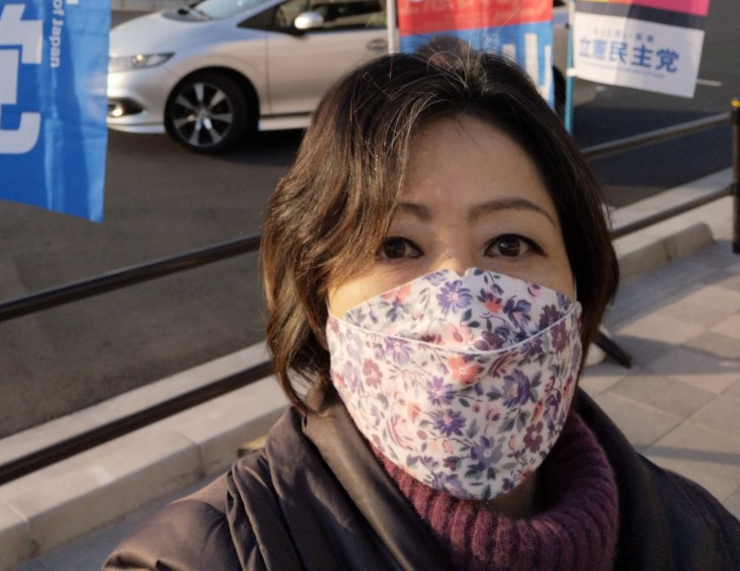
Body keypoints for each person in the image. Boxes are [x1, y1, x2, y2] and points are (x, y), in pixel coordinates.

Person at [104, 45, 740, 570]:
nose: (464, 305)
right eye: (396, 245)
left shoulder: (703, 538)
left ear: (580, 281)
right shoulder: (206, 557)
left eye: (510, 243)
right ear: (315, 290)